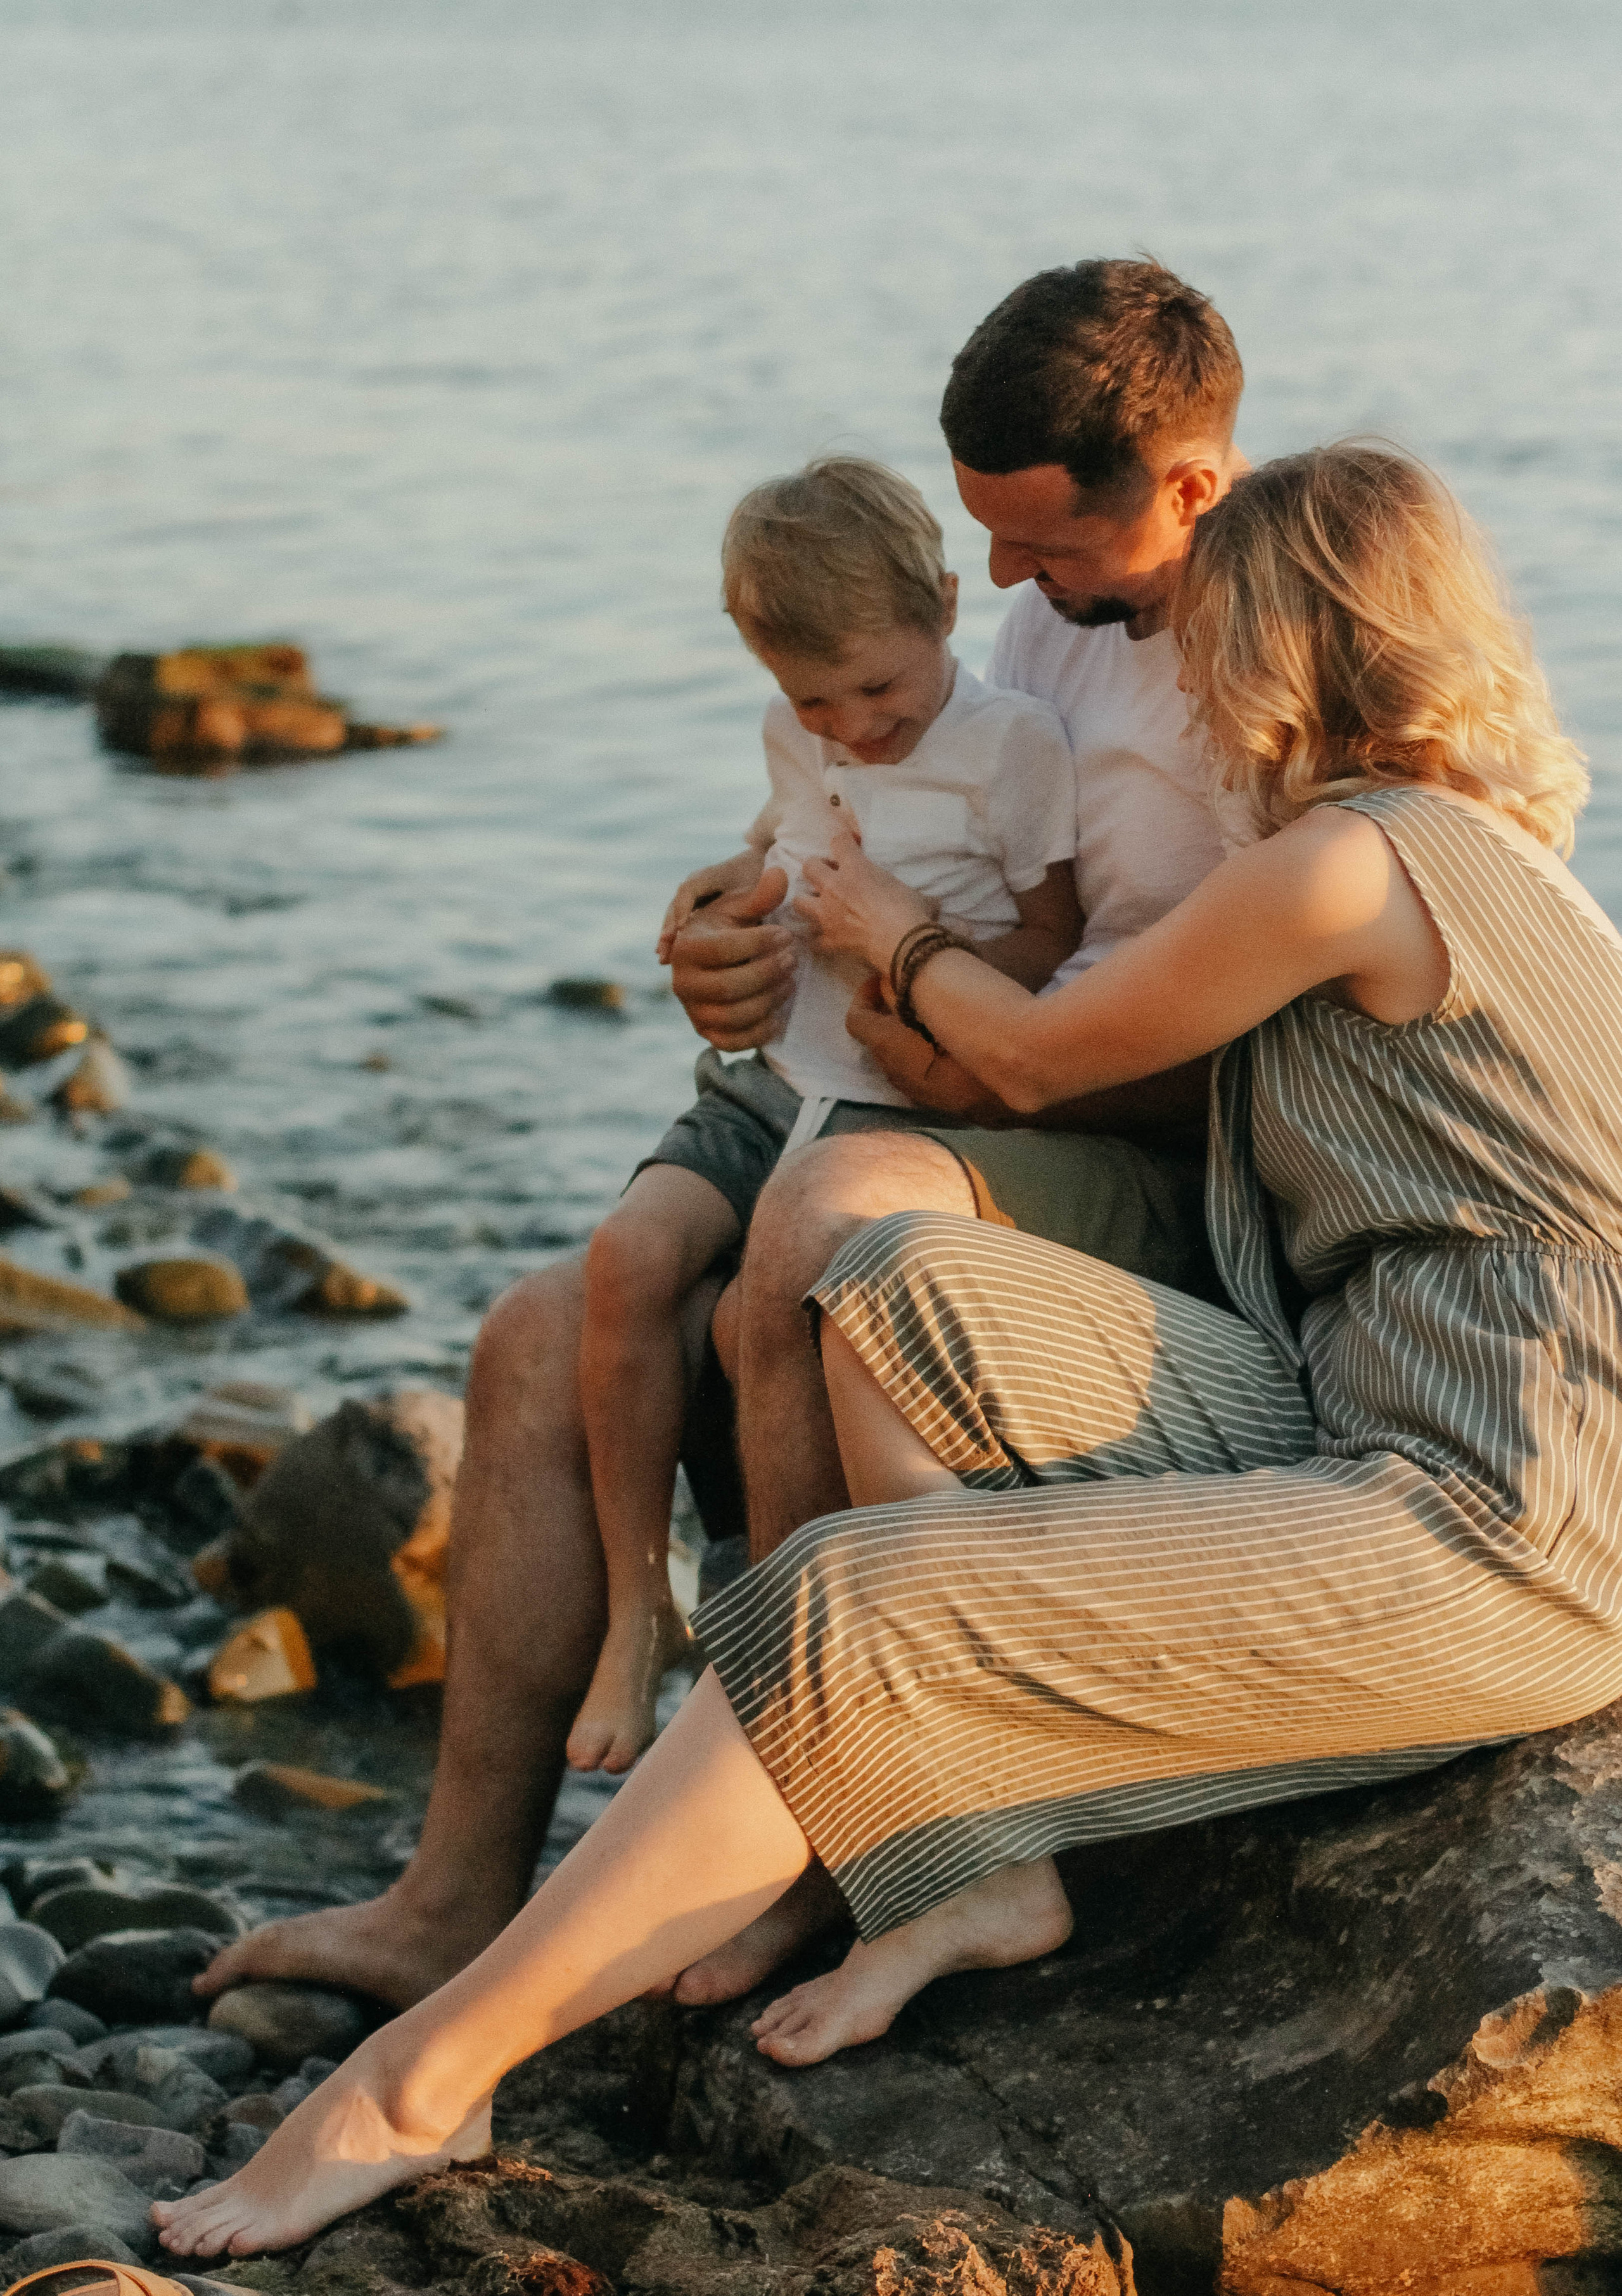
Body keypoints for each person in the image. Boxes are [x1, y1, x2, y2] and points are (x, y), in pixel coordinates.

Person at [153, 438, 1622, 2264]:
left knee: (858, 1601)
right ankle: (971, 1862)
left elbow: (1049, 1051)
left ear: (1285, 640)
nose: (1185, 680)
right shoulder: (1492, 860)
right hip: (1346, 1397)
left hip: (1496, 1506)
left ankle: (416, 2086)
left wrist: (891, 932)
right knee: (899, 1277)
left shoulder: (1345, 861)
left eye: (1213, 639)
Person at [189, 257, 1248, 2015]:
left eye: (1038, 545)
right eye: (987, 544)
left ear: (1190, 488)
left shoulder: (1280, 664)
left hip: (1132, 1145)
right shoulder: (1058, 621)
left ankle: (819, 1844)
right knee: (545, 1328)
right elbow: (883, 815)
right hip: (935, 1073)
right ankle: (452, 1900)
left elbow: (1248, 1027)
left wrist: (959, 1026)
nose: (1005, 583)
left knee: (815, 1227)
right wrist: (725, 947)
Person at [569, 457, 1078, 1773]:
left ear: (946, 609)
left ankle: (782, 1659)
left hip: (893, 1097)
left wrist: (916, 971)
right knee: (626, 1259)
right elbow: (786, 845)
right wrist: (730, 897)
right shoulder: (793, 735)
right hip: (773, 1080)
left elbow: (1052, 938)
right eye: (813, 700)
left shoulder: (1012, 747)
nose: (853, 727)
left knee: (759, 1318)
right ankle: (639, 1609)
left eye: (879, 690)